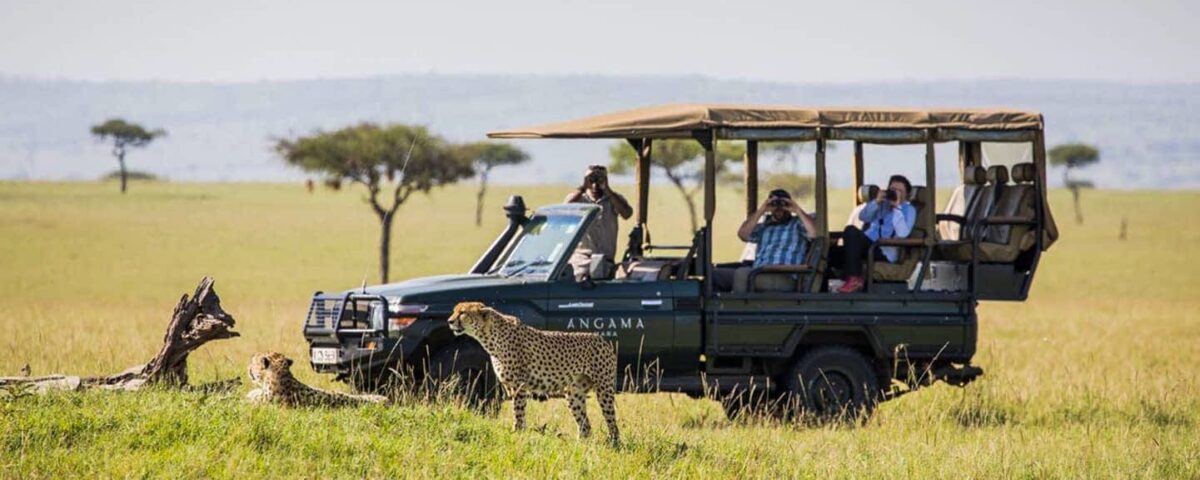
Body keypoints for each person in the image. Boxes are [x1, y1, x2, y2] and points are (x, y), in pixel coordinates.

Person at [714, 189, 817, 293]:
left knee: (742, 274)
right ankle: (717, 308)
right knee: (713, 274)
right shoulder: (764, 226)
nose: (779, 207)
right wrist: (762, 210)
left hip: (783, 276)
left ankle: (740, 308)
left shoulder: (797, 225)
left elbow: (815, 234)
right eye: (774, 204)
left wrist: (797, 209)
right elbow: (742, 234)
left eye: (783, 203)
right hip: (757, 273)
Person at [836, 175, 917, 293]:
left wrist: (897, 208)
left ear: (906, 195)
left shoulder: (908, 210)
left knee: (851, 231)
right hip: (869, 246)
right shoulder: (882, 205)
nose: (894, 193)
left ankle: (855, 279)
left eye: (899, 191)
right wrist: (876, 201)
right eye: (892, 190)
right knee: (831, 252)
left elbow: (903, 233)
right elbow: (863, 217)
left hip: (884, 251)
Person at [565, 165, 633, 280]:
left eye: (599, 179)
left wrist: (608, 190)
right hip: (582, 259)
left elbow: (627, 213)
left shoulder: (613, 199)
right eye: (591, 179)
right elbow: (565, 208)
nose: (595, 184)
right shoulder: (579, 199)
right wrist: (583, 187)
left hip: (605, 260)